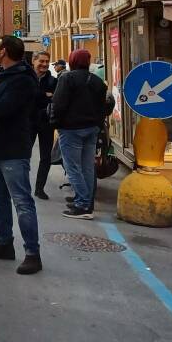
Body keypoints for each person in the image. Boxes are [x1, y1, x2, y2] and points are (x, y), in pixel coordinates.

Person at [0, 35, 43, 275]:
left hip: (12, 150)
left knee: (22, 202)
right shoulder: (6, 76)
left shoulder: (22, 80)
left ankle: (32, 253)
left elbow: (2, 109)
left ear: (5, 52)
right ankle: (4, 243)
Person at [52, 48, 109, 220]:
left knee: (73, 167)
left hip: (71, 129)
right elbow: (103, 106)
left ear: (72, 61)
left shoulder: (67, 78)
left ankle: (83, 205)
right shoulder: (98, 81)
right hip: (92, 129)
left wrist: (56, 123)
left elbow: (59, 104)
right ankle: (86, 201)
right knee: (86, 167)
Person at [32, 51, 58, 200]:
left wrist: (42, 95)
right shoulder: (27, 78)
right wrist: (44, 95)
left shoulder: (53, 81)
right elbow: (26, 95)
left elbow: (56, 98)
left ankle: (39, 188)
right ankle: (22, 186)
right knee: (23, 156)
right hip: (28, 121)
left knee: (46, 157)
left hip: (47, 122)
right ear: (34, 61)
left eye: (47, 61)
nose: (44, 64)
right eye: (41, 61)